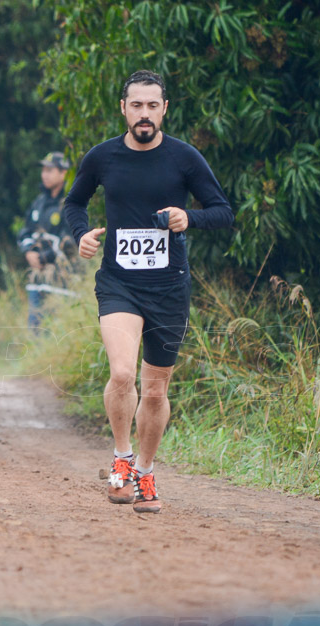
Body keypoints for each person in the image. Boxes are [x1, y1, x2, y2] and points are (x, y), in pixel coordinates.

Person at [63, 69, 234, 513]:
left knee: (155, 390)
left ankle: (145, 470)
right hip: (119, 282)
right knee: (122, 374)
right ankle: (120, 461)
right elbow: (73, 202)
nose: (144, 114)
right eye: (136, 105)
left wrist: (188, 218)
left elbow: (222, 211)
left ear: (164, 110)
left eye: (152, 106)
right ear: (123, 109)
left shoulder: (185, 158)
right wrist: (81, 233)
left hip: (169, 288)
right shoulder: (102, 157)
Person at [16, 151, 74, 331]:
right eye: (43, 170)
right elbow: (25, 231)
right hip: (37, 280)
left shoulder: (70, 202)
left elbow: (70, 241)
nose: (45, 175)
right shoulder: (39, 202)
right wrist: (29, 253)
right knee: (35, 331)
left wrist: (44, 258)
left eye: (50, 170)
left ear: (63, 173)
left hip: (61, 282)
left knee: (57, 333)